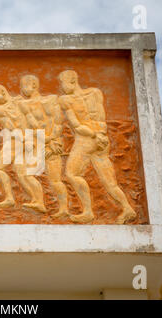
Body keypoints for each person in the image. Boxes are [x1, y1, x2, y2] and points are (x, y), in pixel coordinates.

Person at [58, 70, 137, 224]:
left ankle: (88, 212)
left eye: (63, 83)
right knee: (109, 181)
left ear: (72, 81)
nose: (61, 87)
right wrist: (100, 134)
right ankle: (127, 208)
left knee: (72, 173)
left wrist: (93, 136)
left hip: (86, 139)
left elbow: (77, 125)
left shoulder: (66, 100)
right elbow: (101, 118)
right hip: (102, 139)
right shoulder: (95, 92)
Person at [0, 84, 46, 213]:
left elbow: (11, 126)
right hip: (27, 139)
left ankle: (10, 198)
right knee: (23, 174)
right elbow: (33, 120)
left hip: (17, 140)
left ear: (3, 92)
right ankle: (38, 202)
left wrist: (26, 139)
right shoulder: (20, 101)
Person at [18, 75, 68, 218]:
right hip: (48, 144)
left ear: (33, 85)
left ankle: (63, 208)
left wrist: (49, 142)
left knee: (53, 179)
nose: (22, 89)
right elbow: (56, 124)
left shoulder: (27, 105)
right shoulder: (51, 99)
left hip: (48, 145)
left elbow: (33, 126)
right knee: (30, 175)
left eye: (23, 85)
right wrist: (51, 141)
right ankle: (41, 203)